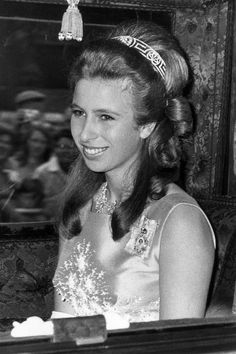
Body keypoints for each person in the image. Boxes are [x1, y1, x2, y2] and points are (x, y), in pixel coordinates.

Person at [53, 20, 215, 323]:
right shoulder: (81, 206)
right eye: (79, 113)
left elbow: (177, 347)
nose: (86, 134)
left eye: (105, 117)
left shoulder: (179, 221)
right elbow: (71, 329)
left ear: (147, 125)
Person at [34, 128, 77, 220]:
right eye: (61, 146)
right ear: (54, 148)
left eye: (71, 147)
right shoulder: (42, 172)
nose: (65, 151)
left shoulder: (85, 171)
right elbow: (36, 204)